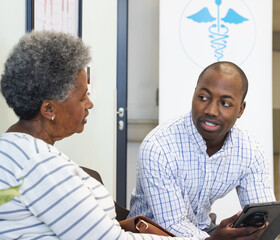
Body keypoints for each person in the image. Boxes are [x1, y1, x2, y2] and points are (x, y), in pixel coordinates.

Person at [0, 31, 266, 240]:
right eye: (83, 97)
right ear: (48, 109)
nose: (90, 104)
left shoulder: (14, 150)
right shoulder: (41, 166)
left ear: (240, 109)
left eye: (226, 103)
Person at [128, 61, 276, 239]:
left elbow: (263, 213)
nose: (211, 110)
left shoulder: (250, 150)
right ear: (194, 95)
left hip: (203, 231)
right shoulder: (159, 146)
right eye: (203, 98)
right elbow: (172, 224)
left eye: (225, 103)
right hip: (153, 234)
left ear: (241, 109)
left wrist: (254, 231)